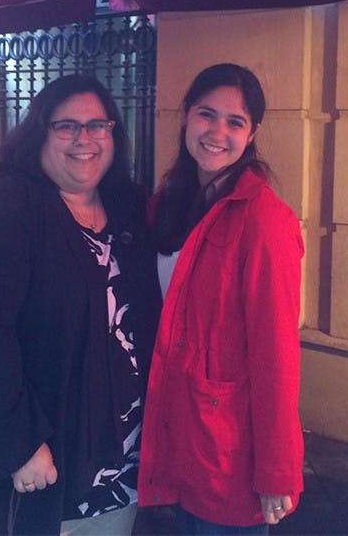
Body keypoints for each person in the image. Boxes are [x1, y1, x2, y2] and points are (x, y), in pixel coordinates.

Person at [0, 74, 162, 535]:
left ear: (114, 134)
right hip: (38, 467)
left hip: (120, 466)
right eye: (66, 125)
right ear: (39, 132)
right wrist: (19, 443)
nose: (84, 139)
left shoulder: (128, 209)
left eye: (98, 126)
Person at [138, 64, 305, 534]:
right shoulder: (168, 202)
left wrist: (278, 469)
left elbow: (276, 355)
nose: (218, 132)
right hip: (177, 432)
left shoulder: (264, 220)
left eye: (235, 122)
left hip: (228, 452)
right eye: (206, 115)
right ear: (186, 118)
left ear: (252, 134)